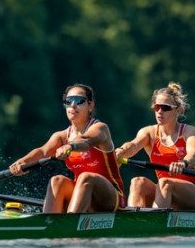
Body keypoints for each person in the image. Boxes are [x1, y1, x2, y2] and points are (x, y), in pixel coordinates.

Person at [9, 84, 125, 213]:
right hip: (82, 193)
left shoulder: (100, 128)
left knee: (86, 177)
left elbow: (86, 141)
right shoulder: (61, 136)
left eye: (79, 100)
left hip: (111, 197)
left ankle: (70, 224)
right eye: (68, 101)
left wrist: (70, 146)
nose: (73, 105)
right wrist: (23, 162)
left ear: (90, 105)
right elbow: (43, 151)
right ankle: (49, 224)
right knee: (57, 180)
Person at [114, 82, 195, 210]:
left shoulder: (189, 132)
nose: (160, 111)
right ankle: (134, 223)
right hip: (164, 191)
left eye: (165, 108)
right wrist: (121, 151)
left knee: (164, 182)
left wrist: (183, 163)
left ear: (178, 110)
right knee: (137, 182)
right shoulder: (149, 132)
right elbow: (133, 145)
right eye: (157, 107)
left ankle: (155, 222)